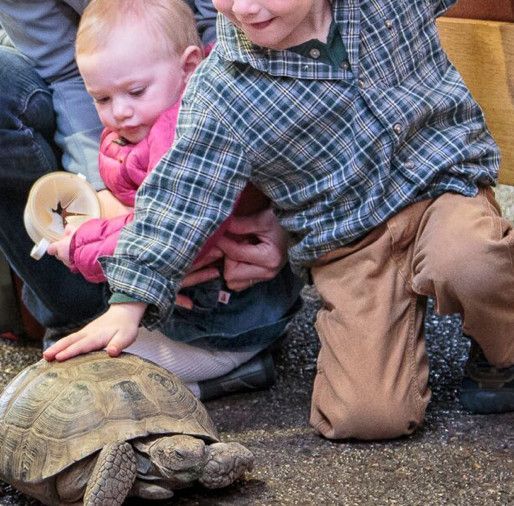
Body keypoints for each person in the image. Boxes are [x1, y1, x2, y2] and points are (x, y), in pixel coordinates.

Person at [46, 0, 514, 439]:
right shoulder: (221, 89)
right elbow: (181, 193)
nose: (245, 8)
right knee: (364, 418)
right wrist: (129, 301)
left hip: (441, 191)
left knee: (472, 261)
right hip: (349, 241)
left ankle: (503, 351)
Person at [0, 0, 303, 399]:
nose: (119, 113)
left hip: (220, 321)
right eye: (102, 100)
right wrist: (102, 197)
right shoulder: (138, 116)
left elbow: (169, 228)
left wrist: (82, 245)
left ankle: (211, 377)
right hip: (177, 300)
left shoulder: (187, 134)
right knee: (94, 373)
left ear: (190, 67)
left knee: (102, 382)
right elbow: (65, 71)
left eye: (135, 93)